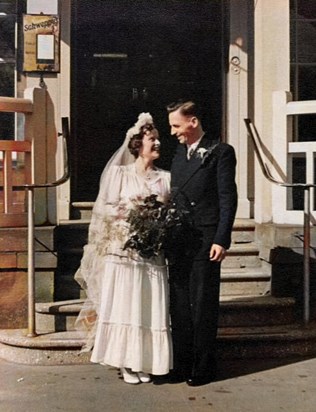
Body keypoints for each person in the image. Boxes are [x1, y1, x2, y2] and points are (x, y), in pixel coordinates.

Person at [74, 113, 172, 384]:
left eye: (159, 139)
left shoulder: (165, 178)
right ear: (137, 144)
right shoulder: (120, 174)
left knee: (148, 305)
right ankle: (126, 362)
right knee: (126, 305)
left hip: (152, 252)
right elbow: (105, 208)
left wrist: (156, 224)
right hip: (124, 250)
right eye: (153, 139)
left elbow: (169, 211)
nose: (158, 144)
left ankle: (145, 361)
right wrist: (131, 216)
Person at [166, 100, 238, 386]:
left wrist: (222, 238)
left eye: (176, 125)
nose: (173, 132)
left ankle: (204, 367)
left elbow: (227, 198)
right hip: (179, 239)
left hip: (205, 238)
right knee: (180, 305)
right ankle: (182, 365)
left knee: (203, 305)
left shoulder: (221, 152)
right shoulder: (178, 154)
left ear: (193, 122)